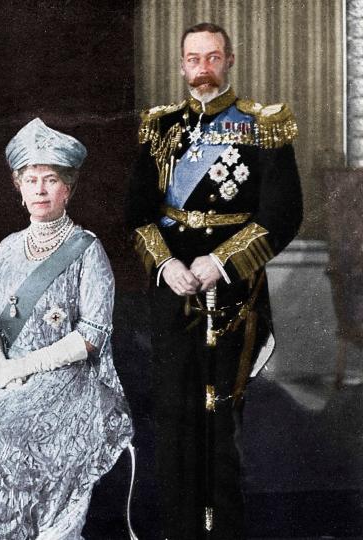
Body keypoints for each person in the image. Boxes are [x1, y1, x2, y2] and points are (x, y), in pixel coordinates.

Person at [126, 22, 302, 538]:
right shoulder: (159, 128)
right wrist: (167, 265)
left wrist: (220, 263)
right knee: (174, 418)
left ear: (229, 61)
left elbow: (282, 213)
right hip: (172, 289)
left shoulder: (262, 124)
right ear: (182, 65)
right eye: (193, 59)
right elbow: (137, 212)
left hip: (234, 292)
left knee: (221, 418)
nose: (202, 69)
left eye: (212, 58)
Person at [0, 118, 133, 539]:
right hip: (5, 371)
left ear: (68, 189)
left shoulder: (87, 249)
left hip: (68, 379)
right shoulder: (7, 248)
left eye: (51, 180)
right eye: (31, 180)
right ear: (19, 190)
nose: (40, 189)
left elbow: (93, 333)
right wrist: (0, 368)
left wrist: (27, 366)